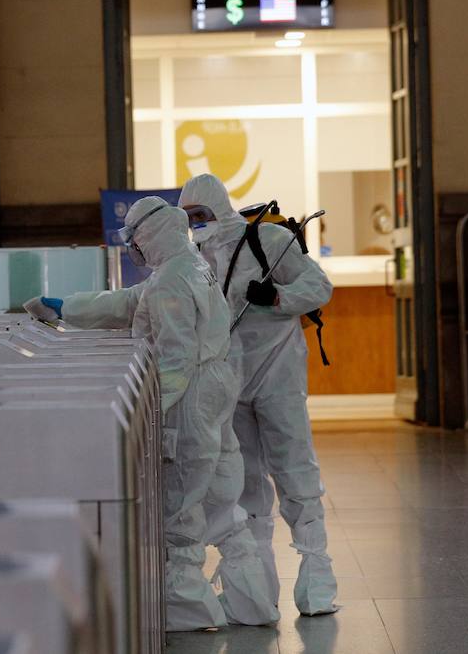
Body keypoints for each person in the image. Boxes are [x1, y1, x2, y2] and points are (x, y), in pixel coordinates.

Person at [26, 197, 278, 632]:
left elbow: (175, 361)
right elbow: (127, 302)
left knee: (180, 506)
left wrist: (142, 417)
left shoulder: (171, 281)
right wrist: (67, 308)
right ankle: (253, 604)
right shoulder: (189, 266)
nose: (132, 248)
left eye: (134, 239)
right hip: (216, 392)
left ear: (149, 236)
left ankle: (188, 611)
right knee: (221, 502)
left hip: (191, 400)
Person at [178, 173, 337, 616]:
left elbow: (319, 287)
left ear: (219, 208)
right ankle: (255, 590)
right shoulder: (194, 257)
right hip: (230, 380)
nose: (196, 223)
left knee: (294, 467)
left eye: (202, 214)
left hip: (278, 373)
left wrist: (276, 296)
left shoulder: (265, 239)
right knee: (243, 481)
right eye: (189, 217)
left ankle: (316, 576)